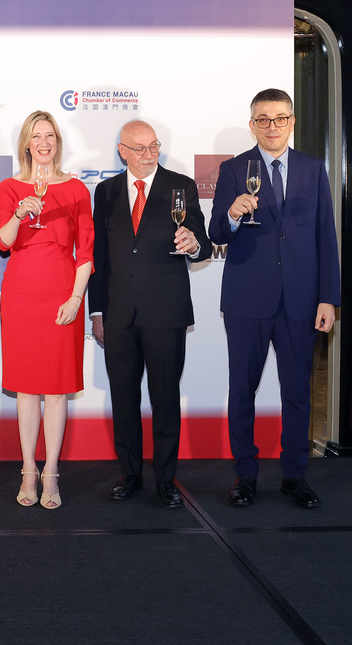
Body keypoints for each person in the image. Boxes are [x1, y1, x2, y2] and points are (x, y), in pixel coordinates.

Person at [208, 88, 340, 508]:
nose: (272, 126)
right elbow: (215, 233)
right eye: (263, 119)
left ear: (292, 122)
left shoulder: (312, 168)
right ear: (252, 125)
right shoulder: (233, 169)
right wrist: (232, 214)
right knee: (242, 390)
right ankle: (245, 474)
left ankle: (294, 475)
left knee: (298, 392)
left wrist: (328, 298)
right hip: (247, 299)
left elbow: (325, 236)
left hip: (301, 299)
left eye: (280, 118)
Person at [90, 120, 211, 509]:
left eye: (153, 146)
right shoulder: (106, 191)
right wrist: (97, 311)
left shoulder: (181, 186)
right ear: (122, 151)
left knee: (165, 398)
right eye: (139, 148)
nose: (148, 155)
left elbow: (204, 243)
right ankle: (129, 473)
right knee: (124, 398)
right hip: (118, 312)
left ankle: (165, 478)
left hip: (166, 311)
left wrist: (193, 243)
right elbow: (99, 255)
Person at [0, 111, 94, 509]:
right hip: (21, 295)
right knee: (26, 388)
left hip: (62, 293)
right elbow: (3, 242)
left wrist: (75, 298)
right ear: (26, 143)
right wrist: (20, 212)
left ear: (58, 142)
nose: (44, 142)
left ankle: (51, 471)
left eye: (50, 135)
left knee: (55, 388)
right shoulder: (8, 188)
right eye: (36, 136)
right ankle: (28, 469)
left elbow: (85, 252)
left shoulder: (76, 189)